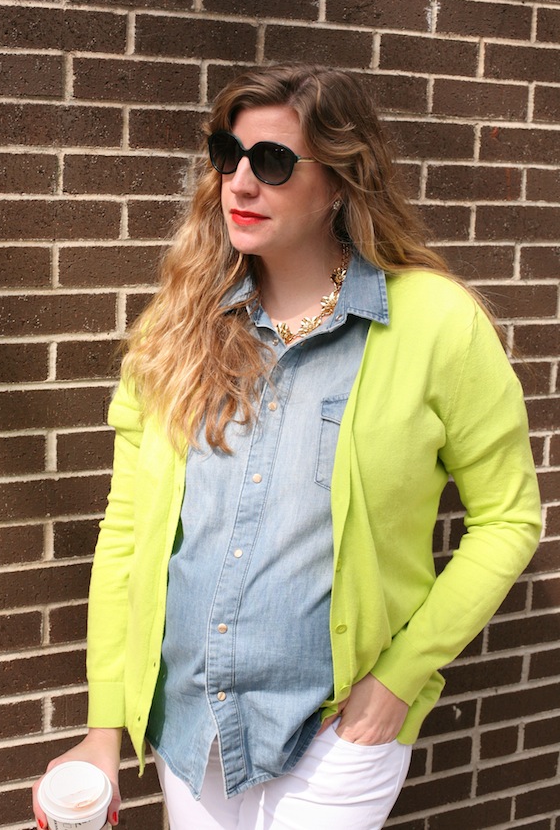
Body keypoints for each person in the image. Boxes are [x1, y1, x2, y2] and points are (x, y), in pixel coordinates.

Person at [32, 63, 541, 830]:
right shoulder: (175, 329)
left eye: (271, 162)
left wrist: (400, 678)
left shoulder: (437, 323)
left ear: (339, 181)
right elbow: (128, 533)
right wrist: (105, 728)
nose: (239, 182)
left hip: (334, 738)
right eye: (226, 155)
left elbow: (509, 519)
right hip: (190, 731)